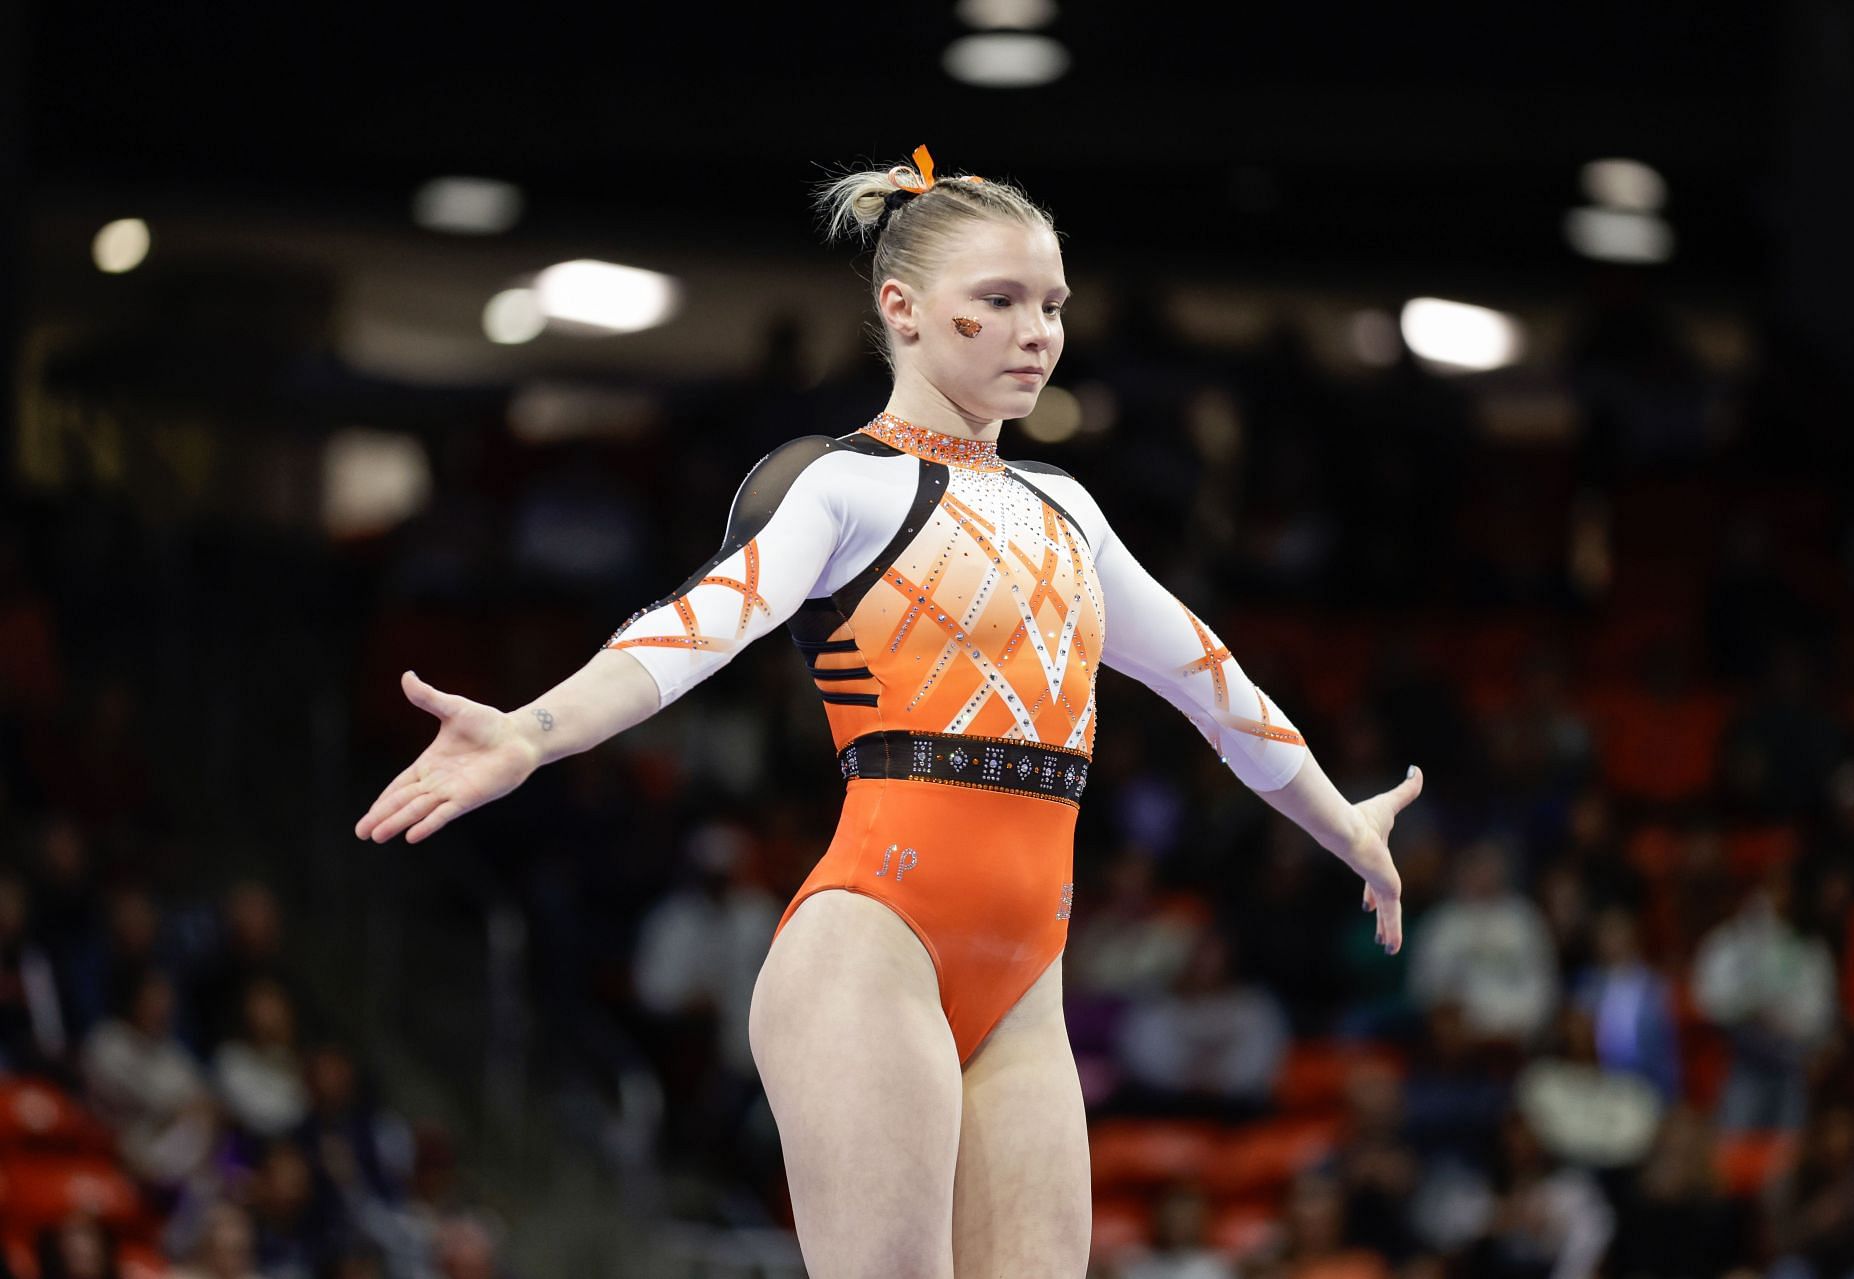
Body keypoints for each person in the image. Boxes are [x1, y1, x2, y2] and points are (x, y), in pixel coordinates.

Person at [354, 144, 1422, 1279]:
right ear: (902, 310)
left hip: (1024, 984)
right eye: (999, 302)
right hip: (872, 950)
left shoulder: (1067, 510)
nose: (1036, 333)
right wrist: (530, 729)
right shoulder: (843, 483)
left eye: (1051, 305)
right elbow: (695, 626)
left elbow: (1216, 685)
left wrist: (1341, 825)